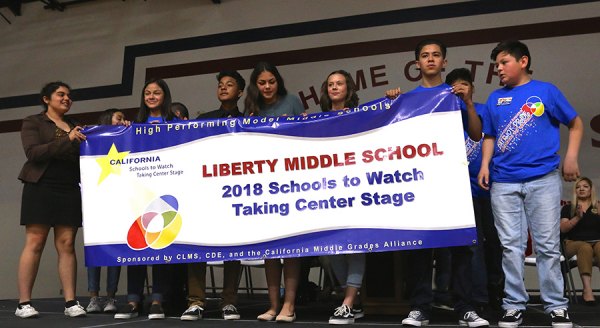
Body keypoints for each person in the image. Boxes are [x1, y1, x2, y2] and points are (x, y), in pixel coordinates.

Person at [477, 40, 583, 328]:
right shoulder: (494, 99)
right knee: (510, 246)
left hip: (543, 179)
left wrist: (571, 157)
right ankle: (513, 304)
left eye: (503, 62)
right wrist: (485, 164)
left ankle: (556, 306)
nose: (498, 68)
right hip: (504, 182)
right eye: (496, 65)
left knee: (547, 245)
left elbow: (575, 123)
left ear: (522, 61)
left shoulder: (546, 91)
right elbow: (489, 136)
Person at [386, 39, 488, 328]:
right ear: (416, 64)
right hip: (420, 184)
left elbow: (477, 135)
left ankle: (465, 308)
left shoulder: (454, 95)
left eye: (436, 56)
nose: (430, 60)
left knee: (461, 248)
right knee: (420, 247)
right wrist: (391, 103)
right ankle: (420, 308)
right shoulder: (407, 98)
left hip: (453, 182)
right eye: (424, 56)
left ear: (444, 62)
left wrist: (468, 103)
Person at [15, 81, 87, 318]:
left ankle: (71, 303)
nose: (66, 98)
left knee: (67, 244)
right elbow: (33, 153)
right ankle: (23, 303)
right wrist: (68, 139)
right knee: (35, 242)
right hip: (41, 186)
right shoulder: (33, 122)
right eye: (60, 94)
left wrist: (118, 127)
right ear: (46, 99)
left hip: (68, 187)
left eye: (69, 95)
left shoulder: (75, 125)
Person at [180, 70, 246, 322]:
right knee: (198, 246)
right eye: (220, 84)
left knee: (233, 247)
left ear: (239, 92)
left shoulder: (248, 121)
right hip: (204, 192)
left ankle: (229, 301)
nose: (223, 87)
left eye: (229, 85)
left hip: (233, 192)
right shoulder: (204, 120)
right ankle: (196, 301)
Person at [244, 62, 304, 323]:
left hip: (290, 182)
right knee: (270, 250)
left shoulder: (292, 101)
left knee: (289, 249)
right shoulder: (251, 108)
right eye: (262, 82)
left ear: (278, 81)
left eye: (271, 81)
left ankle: (289, 306)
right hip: (263, 185)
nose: (267, 87)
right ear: (255, 85)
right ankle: (272, 306)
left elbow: (305, 135)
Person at [114, 78, 175, 320]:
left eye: (156, 93)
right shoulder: (135, 124)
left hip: (167, 193)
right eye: (147, 93)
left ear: (164, 96)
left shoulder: (174, 123)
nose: (151, 96)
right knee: (136, 246)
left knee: (160, 245)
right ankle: (133, 300)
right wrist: (123, 131)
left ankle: (157, 299)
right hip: (139, 194)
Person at [445, 68, 504, 311]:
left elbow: (482, 136)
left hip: (488, 187)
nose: (460, 90)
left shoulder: (482, 109)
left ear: (472, 87)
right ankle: (478, 298)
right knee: (473, 245)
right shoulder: (443, 114)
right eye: (455, 87)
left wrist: (468, 103)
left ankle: (497, 293)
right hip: (460, 191)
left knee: (495, 242)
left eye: (464, 85)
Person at [317, 70, 365, 325]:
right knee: (331, 247)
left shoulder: (360, 116)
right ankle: (354, 301)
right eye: (331, 84)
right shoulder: (317, 120)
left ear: (349, 88)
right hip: (326, 191)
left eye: (340, 83)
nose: (335, 88)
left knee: (355, 244)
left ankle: (347, 301)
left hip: (354, 188)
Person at [85, 108, 127, 314]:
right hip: (97, 204)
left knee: (115, 253)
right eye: (118, 118)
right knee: (95, 252)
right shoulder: (92, 141)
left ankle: (111, 297)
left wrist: (130, 129)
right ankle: (93, 297)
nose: (122, 121)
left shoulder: (127, 140)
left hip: (121, 204)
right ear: (106, 120)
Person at [560, 177, 600, 306]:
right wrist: (577, 217)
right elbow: (563, 229)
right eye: (578, 187)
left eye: (585, 186)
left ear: (591, 189)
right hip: (573, 243)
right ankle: (587, 290)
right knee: (585, 247)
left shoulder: (598, 206)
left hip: (596, 242)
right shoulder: (568, 208)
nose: (581, 189)